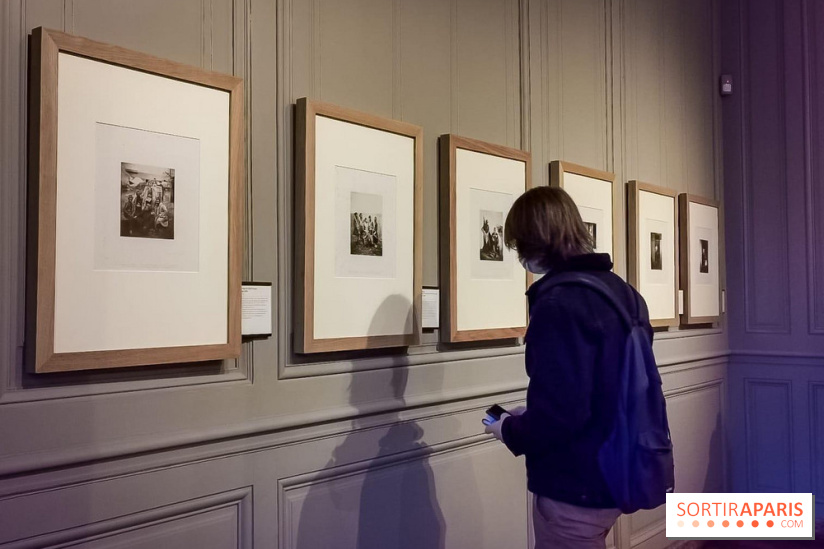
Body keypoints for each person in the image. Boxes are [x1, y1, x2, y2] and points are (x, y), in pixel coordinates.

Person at [484, 186, 654, 549]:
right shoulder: (625, 294)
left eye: (519, 245)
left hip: (575, 482)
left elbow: (564, 413)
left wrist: (509, 429)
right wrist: (532, 414)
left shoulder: (559, 302)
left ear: (533, 241)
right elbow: (606, 389)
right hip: (621, 467)